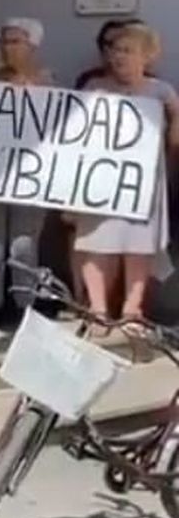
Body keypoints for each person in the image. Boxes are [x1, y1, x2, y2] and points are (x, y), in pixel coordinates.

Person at [75, 23, 179, 326]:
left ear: (146, 57)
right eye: (115, 50)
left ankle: (132, 310)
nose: (118, 56)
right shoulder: (94, 88)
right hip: (99, 181)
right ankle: (97, 309)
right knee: (96, 243)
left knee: (138, 246)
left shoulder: (161, 91)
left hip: (142, 183)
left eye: (127, 50)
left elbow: (174, 132)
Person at [0, 18, 51, 328]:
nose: (8, 48)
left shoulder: (48, 82)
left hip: (31, 175)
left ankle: (24, 305)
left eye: (16, 41)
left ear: (32, 45)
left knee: (24, 243)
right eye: (4, 41)